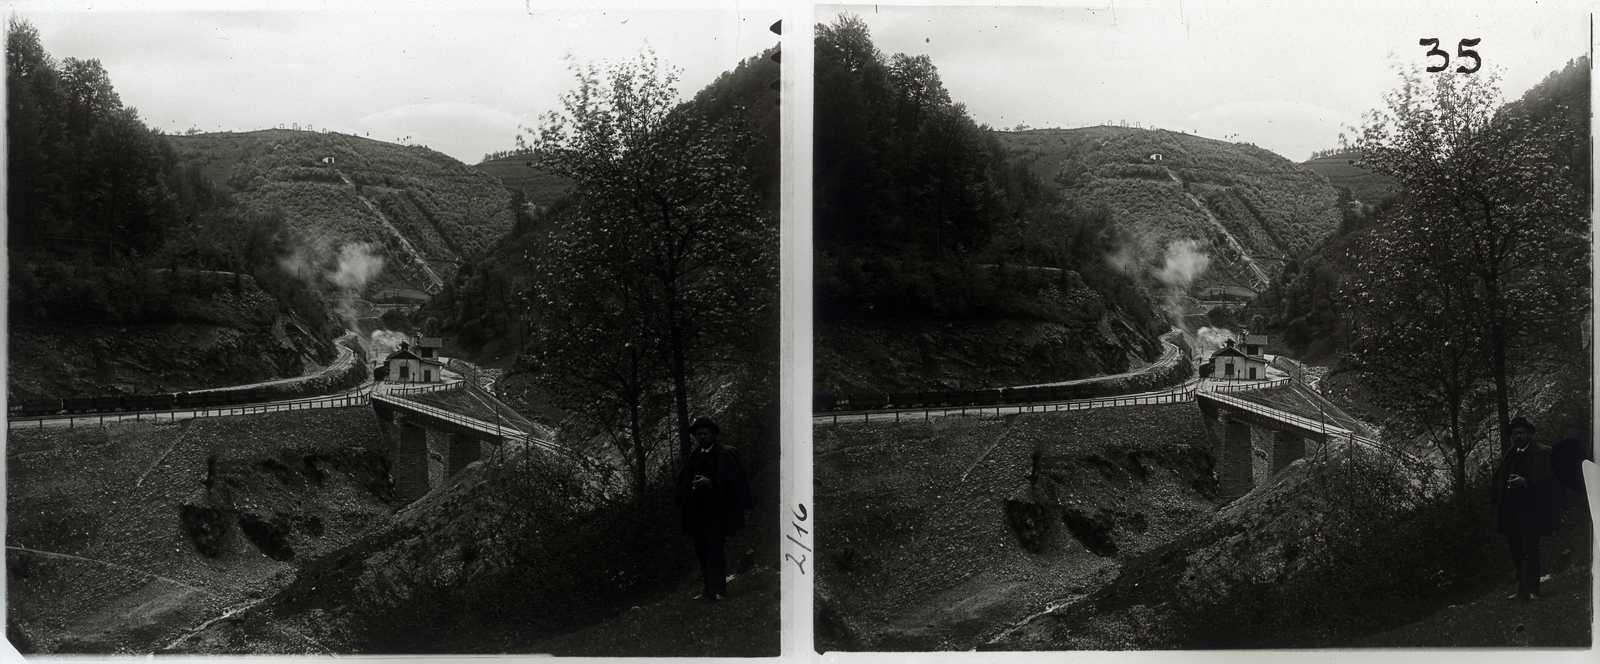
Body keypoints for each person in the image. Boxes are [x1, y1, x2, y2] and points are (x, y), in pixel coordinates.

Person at [675, 416, 752, 601]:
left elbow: (735, 483)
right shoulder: (695, 455)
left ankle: (718, 590)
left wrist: (710, 483)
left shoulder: (725, 453)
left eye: (706, 433)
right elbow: (684, 481)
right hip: (697, 514)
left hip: (718, 512)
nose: (702, 437)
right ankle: (707, 589)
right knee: (701, 550)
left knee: (715, 549)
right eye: (699, 434)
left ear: (714, 434)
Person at [1489, 417, 1561, 601]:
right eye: (1515, 434)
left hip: (1532, 511)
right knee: (1516, 549)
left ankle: (1533, 591)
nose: (1518, 436)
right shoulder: (1511, 454)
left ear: (1529, 434)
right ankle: (1522, 589)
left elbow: (1549, 478)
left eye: (1521, 433)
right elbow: (1499, 480)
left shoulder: (1541, 452)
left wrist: (1526, 482)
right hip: (1512, 512)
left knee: (1529, 548)